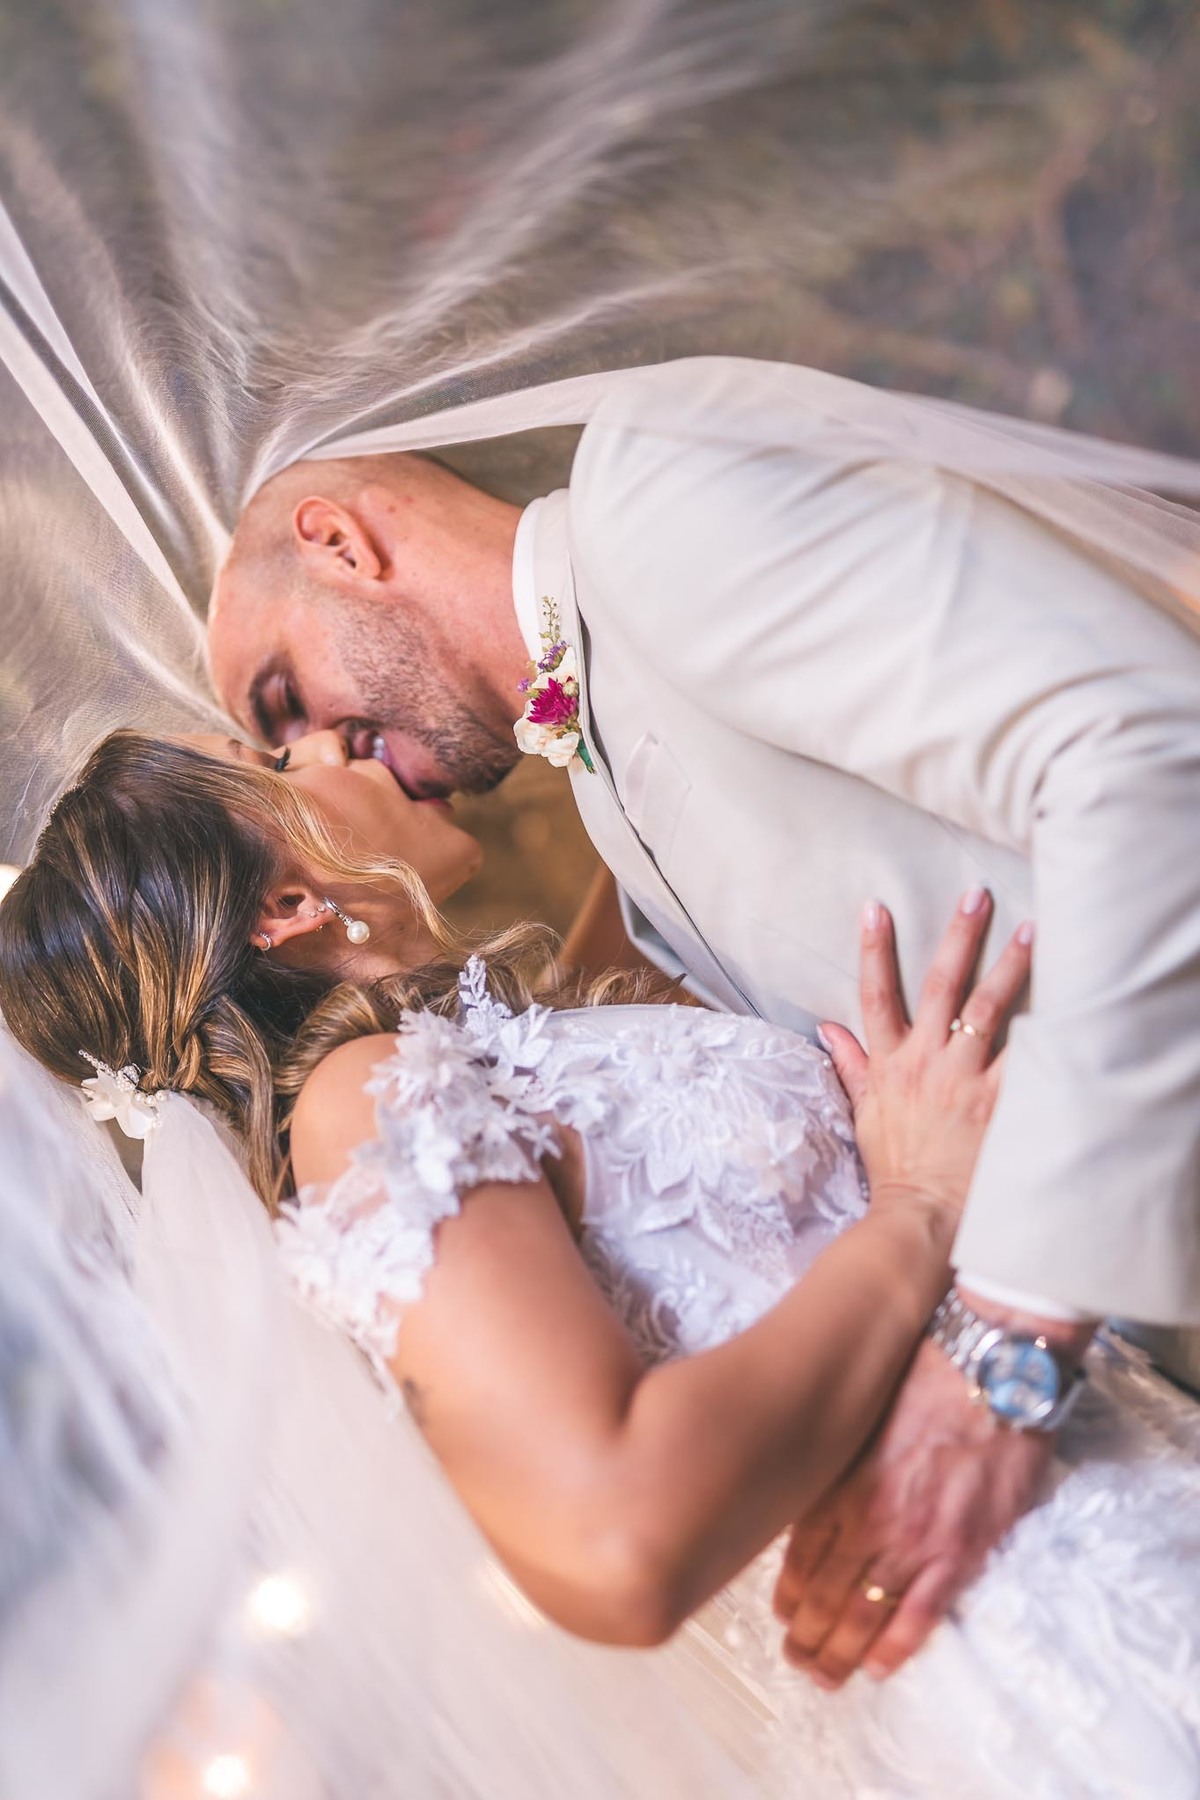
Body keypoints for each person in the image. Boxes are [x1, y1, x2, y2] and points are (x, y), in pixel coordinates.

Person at [206, 355, 1200, 1674]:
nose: (321, 753)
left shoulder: (657, 484)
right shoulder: (610, 810)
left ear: (339, 540)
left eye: (285, 706)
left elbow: (1145, 757)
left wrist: (1008, 1351)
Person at [2, 725, 1198, 1798]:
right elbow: (612, 1533)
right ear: (286, 905)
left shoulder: (492, 1046)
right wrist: (922, 1203)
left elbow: (639, 863)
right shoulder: (358, 1103)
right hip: (1014, 1621)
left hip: (1091, 1506)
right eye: (273, 769)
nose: (323, 742)